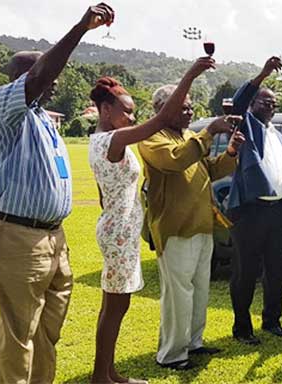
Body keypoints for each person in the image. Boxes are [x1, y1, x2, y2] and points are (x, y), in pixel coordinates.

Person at [0, 3, 114, 383]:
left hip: (53, 237)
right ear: (22, 78)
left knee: (46, 331)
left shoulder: (43, 119)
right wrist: (80, 28)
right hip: (17, 236)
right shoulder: (4, 107)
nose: (55, 82)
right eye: (46, 75)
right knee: (19, 332)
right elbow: (41, 75)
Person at [88, 57, 214, 384]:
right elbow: (159, 120)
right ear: (105, 110)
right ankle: (102, 376)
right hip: (119, 233)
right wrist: (192, 74)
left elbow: (107, 191)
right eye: (126, 111)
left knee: (115, 307)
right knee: (114, 308)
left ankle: (108, 372)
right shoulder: (112, 140)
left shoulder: (105, 141)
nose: (131, 117)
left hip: (120, 228)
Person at [138, 82, 244, 370]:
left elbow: (208, 169)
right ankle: (172, 354)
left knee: (199, 290)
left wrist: (231, 153)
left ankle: (194, 342)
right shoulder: (152, 138)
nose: (188, 111)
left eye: (190, 106)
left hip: (201, 224)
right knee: (178, 294)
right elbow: (177, 161)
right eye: (181, 107)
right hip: (176, 227)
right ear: (161, 109)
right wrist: (209, 130)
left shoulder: (186, 135)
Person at [226, 56, 282, 345]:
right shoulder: (247, 127)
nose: (270, 107)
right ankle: (242, 328)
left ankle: (272, 321)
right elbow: (238, 102)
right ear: (253, 105)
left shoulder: (277, 137)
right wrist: (263, 75)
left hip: (276, 211)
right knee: (246, 272)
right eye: (265, 102)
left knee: (276, 270)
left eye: (273, 104)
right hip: (250, 212)